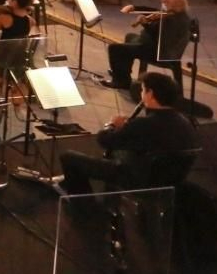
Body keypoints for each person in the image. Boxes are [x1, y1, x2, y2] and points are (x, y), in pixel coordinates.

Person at [59, 72, 198, 195]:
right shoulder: (185, 122)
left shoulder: (143, 124)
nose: (141, 94)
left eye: (143, 90)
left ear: (150, 94)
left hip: (138, 180)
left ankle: (83, 207)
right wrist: (129, 129)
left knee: (69, 158)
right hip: (170, 181)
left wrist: (113, 125)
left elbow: (104, 140)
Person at [105, 0, 191, 91]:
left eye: (166, 1)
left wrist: (145, 24)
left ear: (176, 4)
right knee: (130, 37)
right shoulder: (173, 13)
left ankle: (121, 81)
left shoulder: (174, 20)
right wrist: (134, 8)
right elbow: (153, 11)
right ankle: (122, 72)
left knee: (114, 48)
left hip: (156, 52)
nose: (162, 2)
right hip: (151, 45)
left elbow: (159, 37)